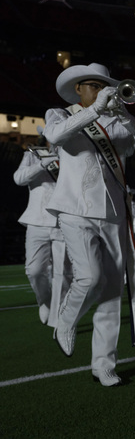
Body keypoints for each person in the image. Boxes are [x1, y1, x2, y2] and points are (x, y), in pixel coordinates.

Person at [43, 62, 135, 386]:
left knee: (110, 293)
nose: (98, 90)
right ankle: (65, 320)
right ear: (78, 89)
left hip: (113, 214)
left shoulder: (118, 121)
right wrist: (95, 109)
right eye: (91, 85)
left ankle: (104, 365)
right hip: (74, 209)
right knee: (90, 276)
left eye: (101, 85)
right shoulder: (60, 114)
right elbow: (54, 136)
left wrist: (124, 115)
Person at [13, 131, 71, 327]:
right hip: (37, 219)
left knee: (62, 273)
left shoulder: (73, 153)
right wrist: (41, 164)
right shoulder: (33, 154)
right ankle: (45, 302)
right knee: (34, 270)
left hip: (64, 220)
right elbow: (19, 179)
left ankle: (59, 318)